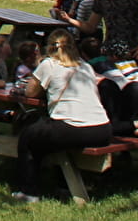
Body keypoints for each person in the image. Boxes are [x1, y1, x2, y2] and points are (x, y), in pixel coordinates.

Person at [11, 29, 112, 204]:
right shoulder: (85, 66)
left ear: (49, 48)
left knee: (28, 137)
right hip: (102, 128)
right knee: (49, 136)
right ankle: (62, 184)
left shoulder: (49, 65)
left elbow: (31, 92)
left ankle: (28, 191)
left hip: (73, 127)